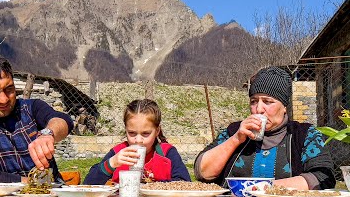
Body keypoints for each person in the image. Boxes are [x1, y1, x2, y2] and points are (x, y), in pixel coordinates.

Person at [194, 66, 336, 190]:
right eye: (254, 101)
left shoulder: (303, 134)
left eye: (268, 102)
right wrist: (236, 139)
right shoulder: (234, 130)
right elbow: (202, 173)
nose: (259, 109)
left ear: (284, 106)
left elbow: (323, 177)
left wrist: (265, 189)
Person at [0, 52, 74, 184]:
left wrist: (48, 134)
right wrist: (37, 186)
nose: (4, 99)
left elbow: (64, 121)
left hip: (53, 194)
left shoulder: (31, 108)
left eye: (9, 89)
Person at [84, 98, 191, 184]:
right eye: (132, 133)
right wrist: (111, 163)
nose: (138, 140)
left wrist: (150, 187)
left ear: (157, 131)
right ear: (125, 130)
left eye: (145, 134)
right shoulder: (119, 153)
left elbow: (185, 183)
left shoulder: (167, 153)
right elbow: (88, 185)